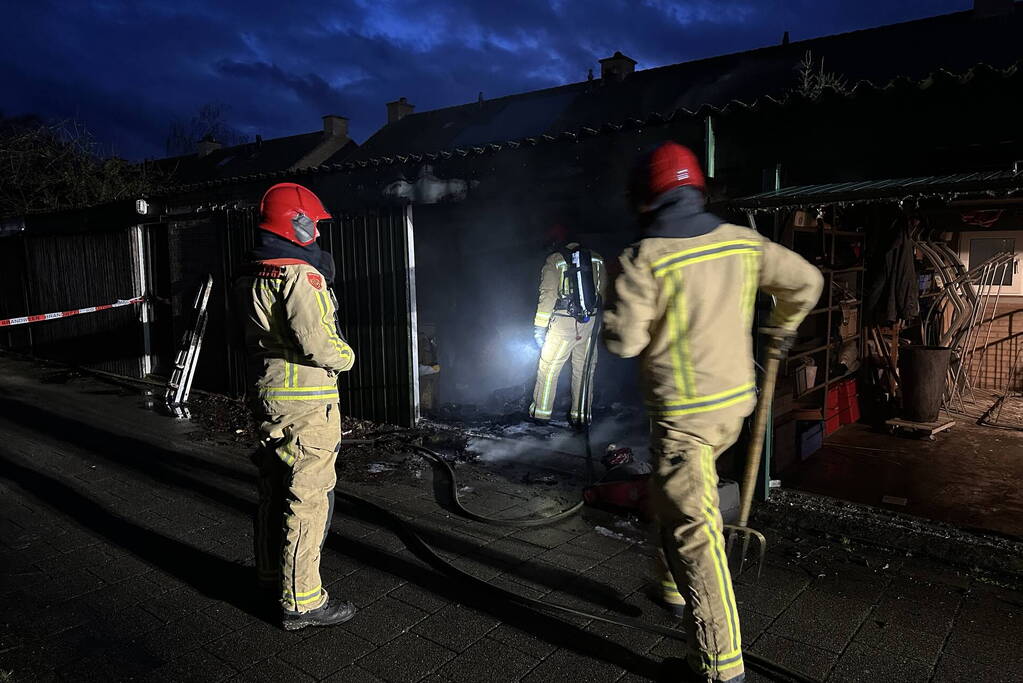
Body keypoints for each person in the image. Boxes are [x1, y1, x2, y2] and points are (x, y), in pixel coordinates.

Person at [603, 143, 822, 682]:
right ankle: (673, 589)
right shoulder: (744, 244)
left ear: (646, 198)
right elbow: (806, 283)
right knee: (673, 497)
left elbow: (624, 343)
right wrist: (781, 326)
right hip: (734, 407)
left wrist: (615, 297)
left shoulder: (643, 258)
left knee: (694, 535)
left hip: (683, 423)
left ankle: (719, 668)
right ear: (697, 190)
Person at [234, 182, 357, 630]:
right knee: (307, 500)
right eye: (314, 224)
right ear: (297, 224)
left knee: (273, 493)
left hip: (270, 397)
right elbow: (319, 344)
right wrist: (346, 357)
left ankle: (271, 577)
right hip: (307, 403)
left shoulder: (253, 272)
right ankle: (303, 601)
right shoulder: (301, 276)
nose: (319, 233)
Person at [529, 232, 608, 428]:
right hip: (591, 322)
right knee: (584, 370)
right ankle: (581, 416)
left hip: (563, 323)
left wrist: (539, 328)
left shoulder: (555, 260)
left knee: (549, 368)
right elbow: (604, 290)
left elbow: (547, 295)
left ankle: (541, 414)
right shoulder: (596, 258)